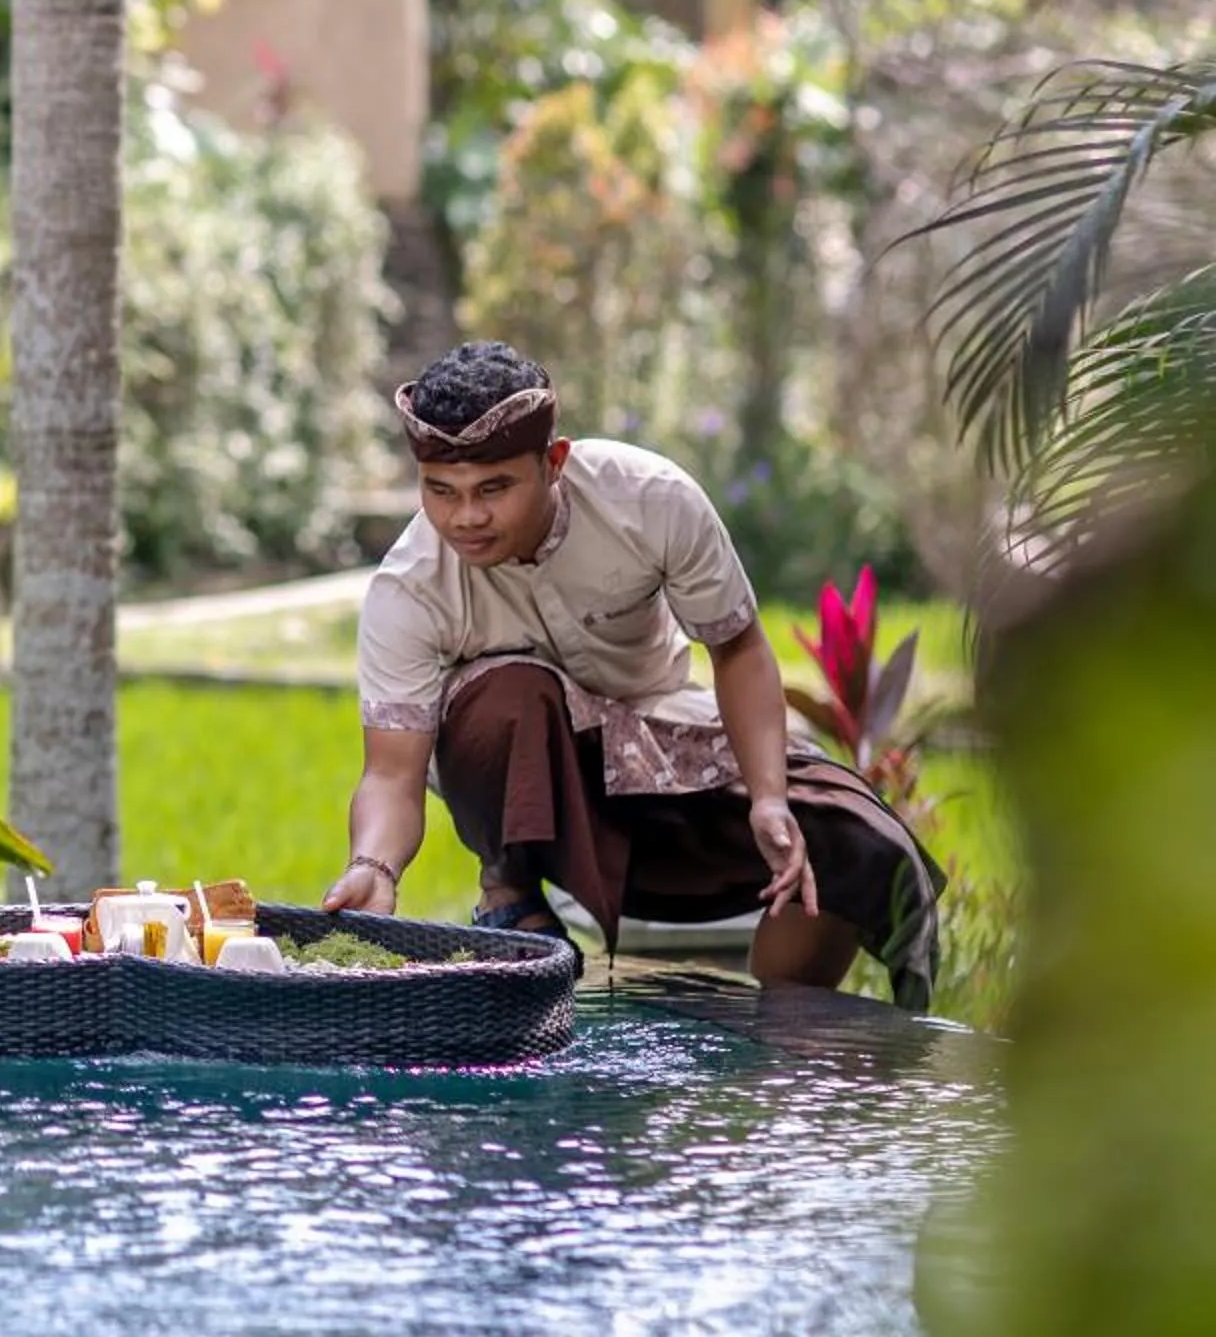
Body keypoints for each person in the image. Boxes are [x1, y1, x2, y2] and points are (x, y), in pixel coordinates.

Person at [320, 341, 945, 1006]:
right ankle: (511, 897)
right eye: (441, 492)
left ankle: (780, 1018)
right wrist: (373, 867)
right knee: (507, 694)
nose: (465, 518)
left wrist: (767, 797)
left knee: (852, 833)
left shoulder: (651, 499)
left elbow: (737, 649)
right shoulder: (409, 588)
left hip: (667, 735)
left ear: (553, 463)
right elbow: (392, 773)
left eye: (493, 489)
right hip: (530, 795)